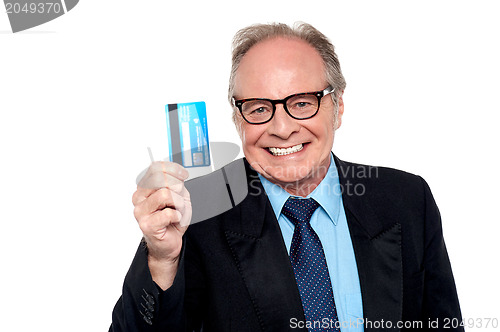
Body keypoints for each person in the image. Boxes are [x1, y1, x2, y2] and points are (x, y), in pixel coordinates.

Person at [110, 22, 463, 331]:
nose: (281, 129)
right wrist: (162, 260)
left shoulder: (405, 199)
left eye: (302, 103)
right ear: (238, 119)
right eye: (259, 108)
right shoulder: (197, 207)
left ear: (337, 107)